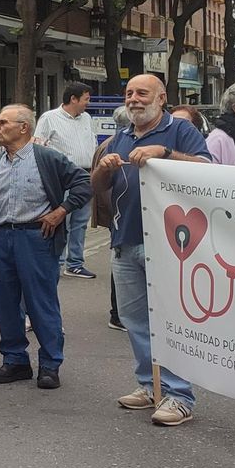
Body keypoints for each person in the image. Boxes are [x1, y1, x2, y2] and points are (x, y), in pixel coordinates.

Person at [94, 73, 210, 428]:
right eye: (129, 94)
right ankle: (151, 385)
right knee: (135, 321)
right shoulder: (122, 136)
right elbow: (97, 187)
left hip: (169, 245)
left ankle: (179, 396)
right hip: (125, 240)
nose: (134, 99)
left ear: (162, 98)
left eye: (142, 93)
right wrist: (102, 168)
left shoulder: (180, 131)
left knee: (169, 321)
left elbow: (209, 170)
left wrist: (166, 153)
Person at [0, 104, 91, 390]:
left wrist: (61, 211)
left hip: (36, 238)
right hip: (2, 238)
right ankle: (15, 360)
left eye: (3, 123)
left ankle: (49, 364)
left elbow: (83, 182)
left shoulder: (46, 157)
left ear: (24, 127)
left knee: (41, 302)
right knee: (7, 303)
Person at [33, 83, 96, 279]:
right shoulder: (49, 118)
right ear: (73, 99)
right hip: (62, 177)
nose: (88, 103)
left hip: (85, 175)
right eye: (86, 99)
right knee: (63, 220)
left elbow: (92, 141)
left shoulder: (86, 118)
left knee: (81, 222)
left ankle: (75, 262)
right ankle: (57, 261)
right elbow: (38, 145)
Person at [91, 106, 130, 332]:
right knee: (121, 261)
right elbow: (105, 188)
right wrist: (116, 213)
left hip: (114, 214)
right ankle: (118, 313)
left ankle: (120, 312)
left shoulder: (112, 143)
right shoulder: (113, 146)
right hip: (117, 215)